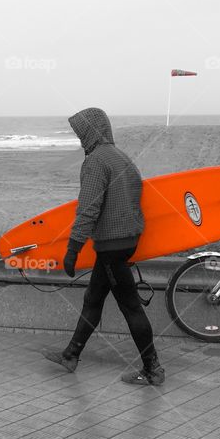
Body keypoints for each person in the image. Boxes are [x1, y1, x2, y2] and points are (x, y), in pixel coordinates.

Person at [43, 107, 165, 385]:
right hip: (125, 242)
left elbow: (88, 209)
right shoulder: (122, 158)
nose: (80, 139)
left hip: (111, 246)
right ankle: (71, 355)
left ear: (91, 132)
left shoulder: (97, 161)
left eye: (81, 133)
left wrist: (72, 249)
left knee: (131, 307)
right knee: (93, 300)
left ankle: (153, 369)